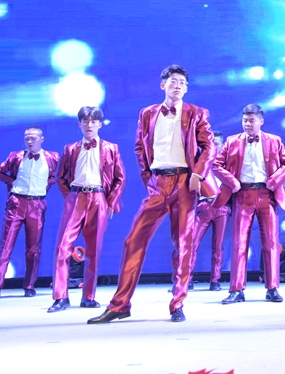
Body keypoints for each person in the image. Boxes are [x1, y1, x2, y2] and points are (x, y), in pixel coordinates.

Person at [88, 64, 216, 324]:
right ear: (163, 85)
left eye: (182, 82)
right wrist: (149, 179)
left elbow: (209, 146)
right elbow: (139, 147)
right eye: (173, 81)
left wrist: (198, 174)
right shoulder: (147, 113)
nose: (178, 86)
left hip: (185, 182)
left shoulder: (197, 113)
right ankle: (120, 305)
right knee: (133, 241)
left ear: (186, 88)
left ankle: (177, 303)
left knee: (183, 244)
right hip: (158, 183)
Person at [213, 105, 285, 304]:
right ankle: (236, 289)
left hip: (267, 195)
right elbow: (216, 164)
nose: (248, 124)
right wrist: (232, 182)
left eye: (252, 120)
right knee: (239, 243)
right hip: (242, 194)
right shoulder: (232, 141)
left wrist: (274, 181)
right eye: (245, 120)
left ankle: (272, 287)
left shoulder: (274, 141)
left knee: (271, 243)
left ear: (261, 121)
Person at [48, 107, 126, 312]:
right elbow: (60, 178)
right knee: (63, 247)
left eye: (93, 121)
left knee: (93, 249)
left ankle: (88, 297)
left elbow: (120, 178)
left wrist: (111, 201)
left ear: (100, 124)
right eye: (85, 121)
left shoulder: (111, 148)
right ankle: (60, 297)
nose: (89, 125)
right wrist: (70, 198)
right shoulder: (70, 149)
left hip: (98, 199)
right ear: (79, 124)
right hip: (75, 197)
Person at [0, 127, 59, 299]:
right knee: (6, 245)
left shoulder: (52, 157)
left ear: (41, 139)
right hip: (16, 203)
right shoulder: (16, 156)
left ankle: (29, 285)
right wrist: (12, 182)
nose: (29, 141)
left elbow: (57, 176)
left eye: (33, 138)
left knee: (33, 249)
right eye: (27, 138)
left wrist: (46, 185)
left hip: (36, 204)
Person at [189, 131, 230, 291]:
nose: (213, 146)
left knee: (218, 246)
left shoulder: (228, 163)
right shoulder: (201, 163)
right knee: (192, 243)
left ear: (223, 145)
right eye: (211, 143)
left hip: (221, 208)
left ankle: (215, 281)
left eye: (217, 143)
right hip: (204, 207)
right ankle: (187, 279)